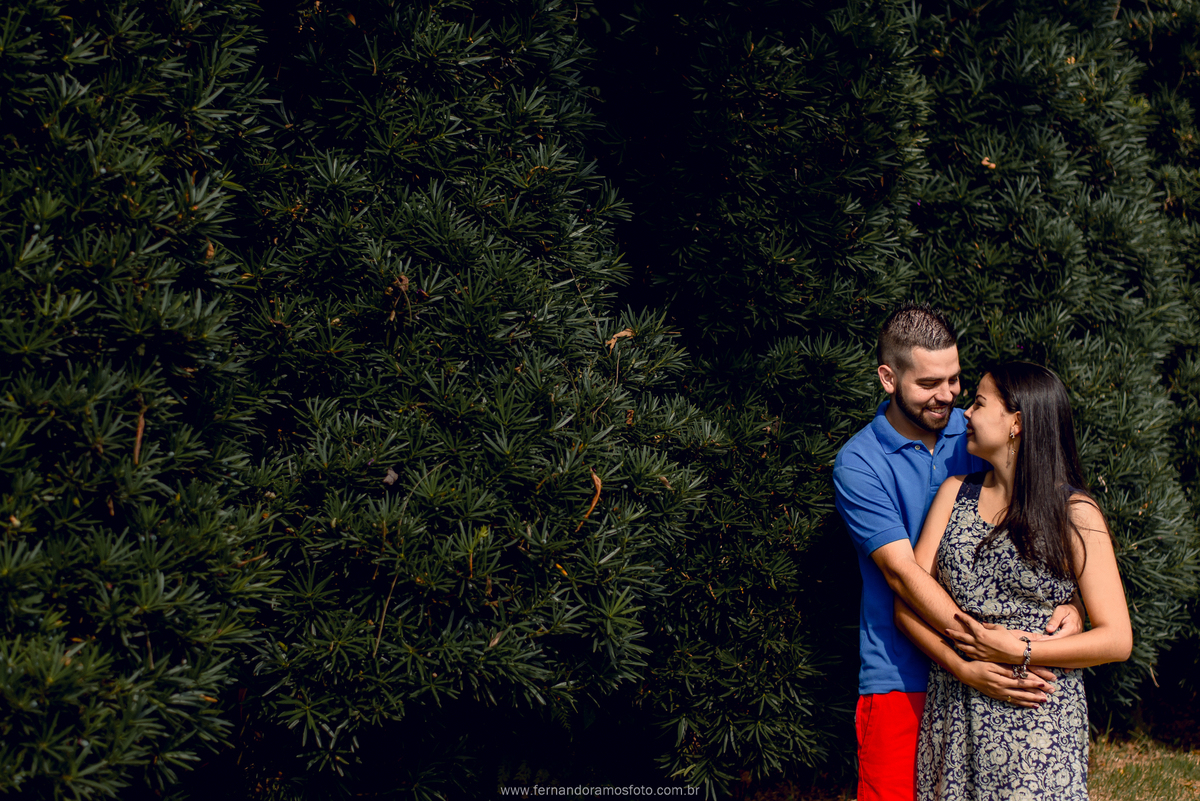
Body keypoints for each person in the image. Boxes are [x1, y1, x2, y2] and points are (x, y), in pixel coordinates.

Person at [833, 304, 1082, 801]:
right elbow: (903, 576)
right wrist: (974, 654)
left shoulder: (974, 433)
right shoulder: (859, 463)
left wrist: (1074, 603)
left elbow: (1042, 518)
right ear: (888, 377)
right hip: (900, 672)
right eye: (929, 383)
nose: (948, 395)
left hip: (999, 670)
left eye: (955, 379)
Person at [895, 362, 1132, 799]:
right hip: (955, 713)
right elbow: (906, 606)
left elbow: (1117, 639)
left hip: (1035, 723)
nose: (965, 412)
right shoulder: (955, 492)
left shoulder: (1075, 513)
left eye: (979, 403)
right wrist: (963, 667)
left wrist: (1021, 649)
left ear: (1016, 424)